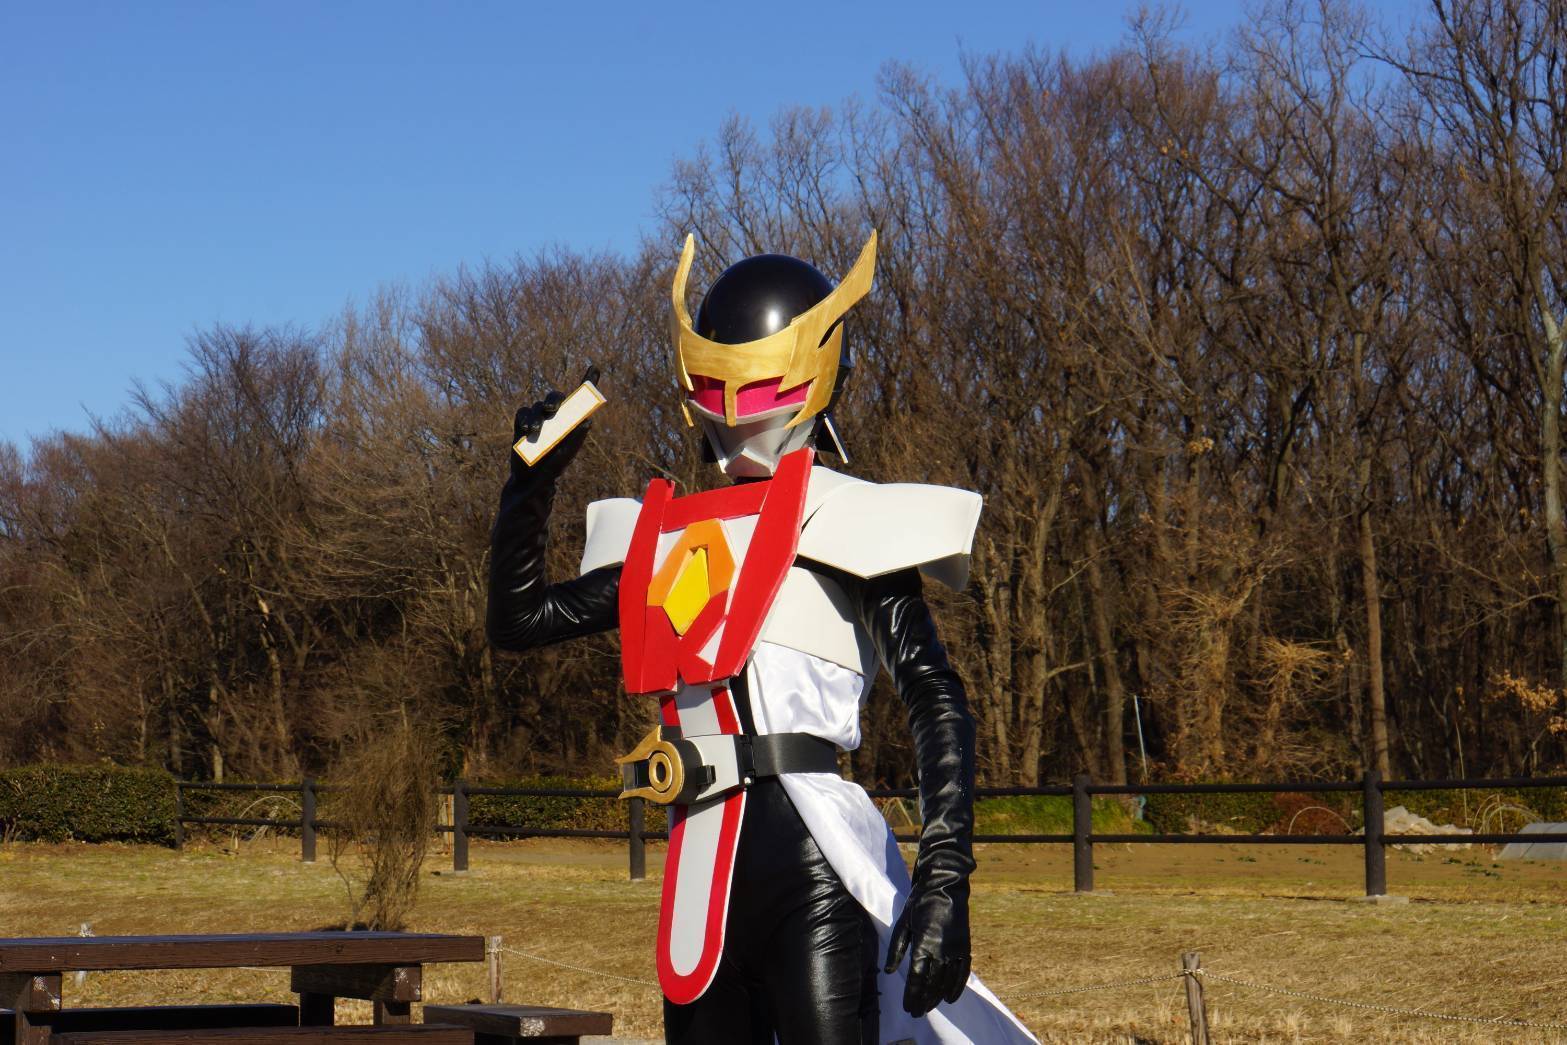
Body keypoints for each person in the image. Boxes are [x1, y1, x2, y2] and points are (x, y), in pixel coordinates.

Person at [488, 231, 1035, 1044]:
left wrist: (945, 877)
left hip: (811, 855)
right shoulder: (670, 537)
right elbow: (520, 620)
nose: (736, 407)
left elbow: (935, 697)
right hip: (699, 861)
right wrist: (528, 488)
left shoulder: (850, 521)